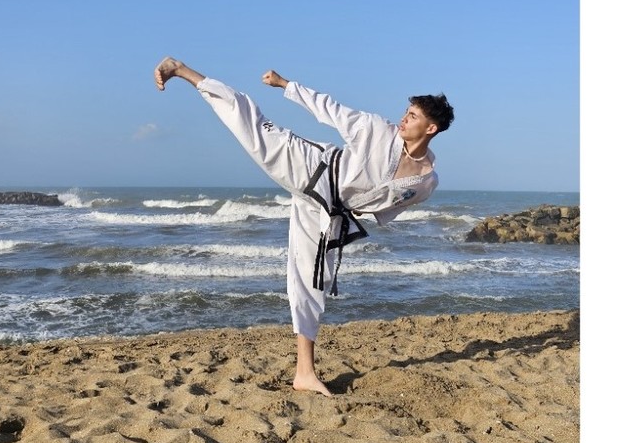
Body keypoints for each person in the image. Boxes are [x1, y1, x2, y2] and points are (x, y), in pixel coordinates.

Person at [154, 57, 454, 396]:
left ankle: (304, 373)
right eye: (406, 111)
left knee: (312, 282)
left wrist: (350, 217)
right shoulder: (375, 129)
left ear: (431, 128)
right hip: (313, 167)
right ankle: (181, 69)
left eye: (412, 116)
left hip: (328, 212)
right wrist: (286, 85)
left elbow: (385, 208)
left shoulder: (426, 182)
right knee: (251, 122)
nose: (403, 118)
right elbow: (329, 108)